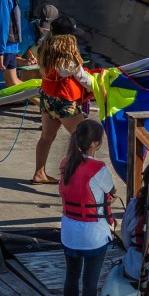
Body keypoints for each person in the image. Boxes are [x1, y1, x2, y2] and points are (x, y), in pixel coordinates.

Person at [44, 120, 114, 296]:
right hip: (94, 234)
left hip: (70, 230)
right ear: (95, 144)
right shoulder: (99, 169)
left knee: (71, 277)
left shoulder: (66, 163)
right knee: (90, 283)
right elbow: (111, 192)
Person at [31, 33, 91, 185]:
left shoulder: (44, 53)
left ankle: (39, 174)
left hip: (48, 99)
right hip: (64, 102)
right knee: (84, 138)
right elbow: (83, 79)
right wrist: (99, 86)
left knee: (46, 137)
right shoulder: (67, 60)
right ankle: (77, 179)